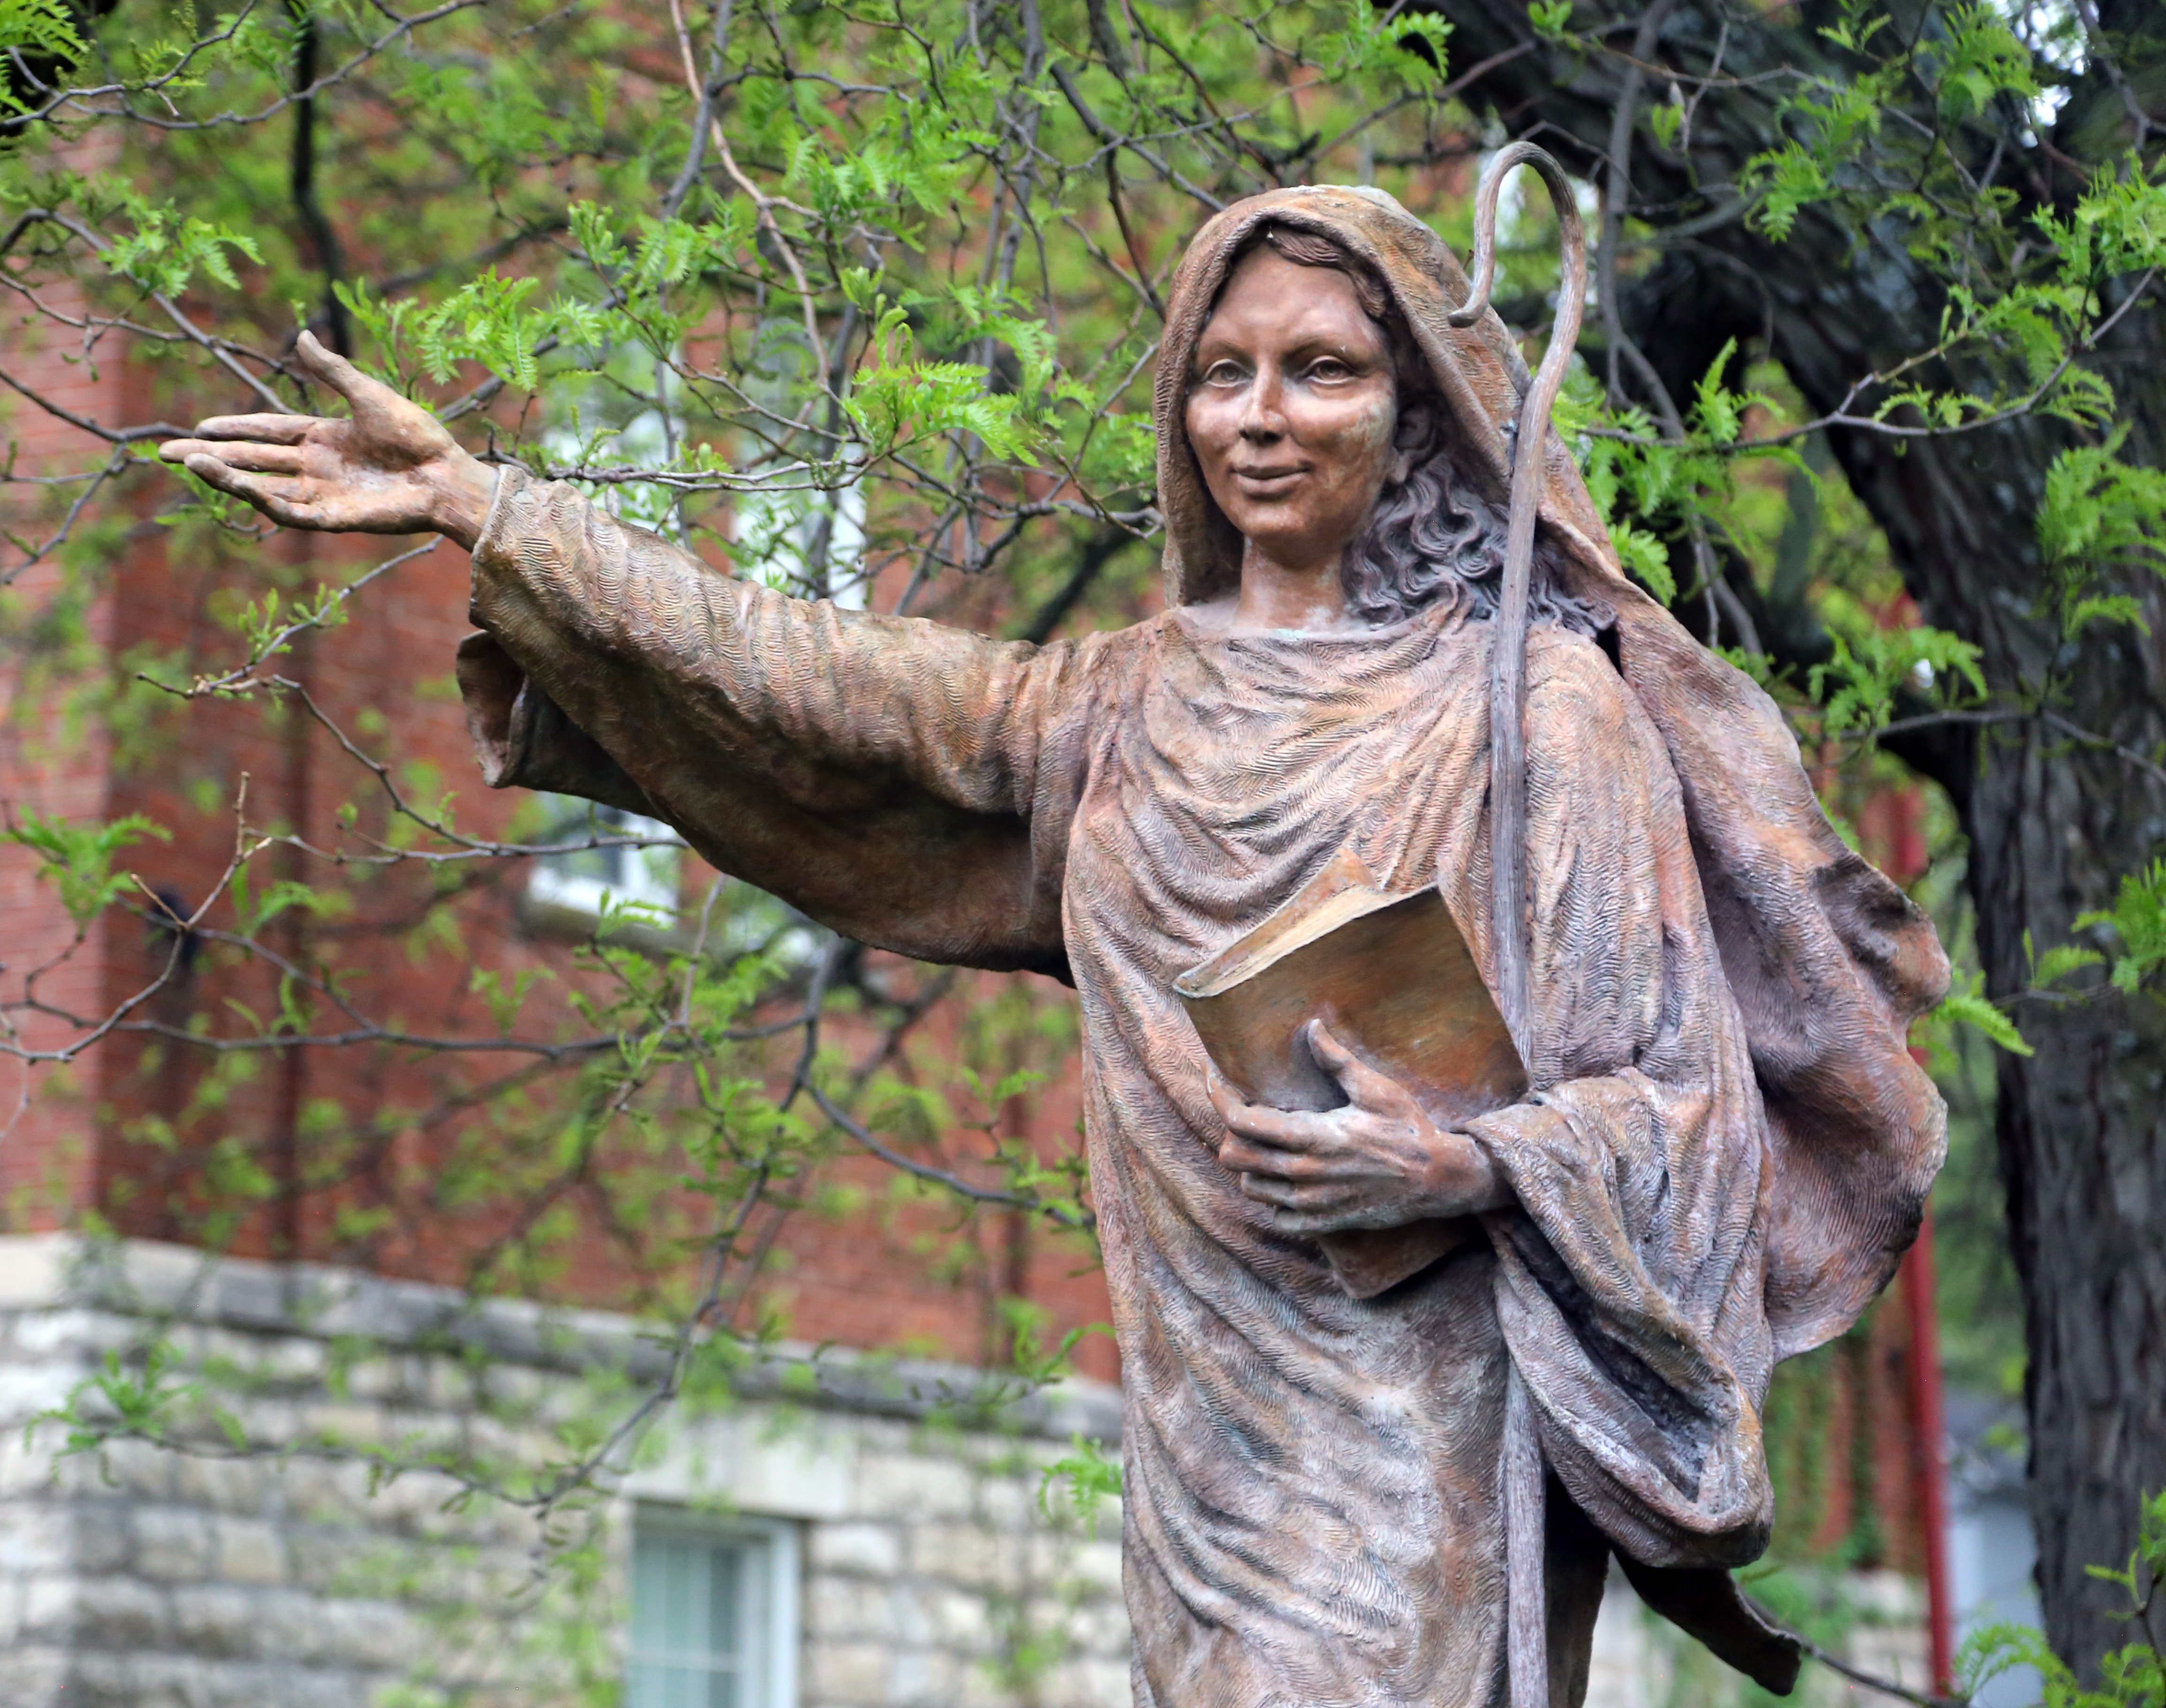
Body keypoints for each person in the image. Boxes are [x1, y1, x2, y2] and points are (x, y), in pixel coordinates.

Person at [163, 184, 1948, 1708]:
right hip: (1210, 1425)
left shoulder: (1534, 710)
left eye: (1321, 369)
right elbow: (822, 679)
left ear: (1415, 408)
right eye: (1222, 375)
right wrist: (499, 511)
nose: (1261, 415)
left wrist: (1468, 1158)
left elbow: (1681, 1102)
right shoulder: (1118, 706)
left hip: (1433, 1408)